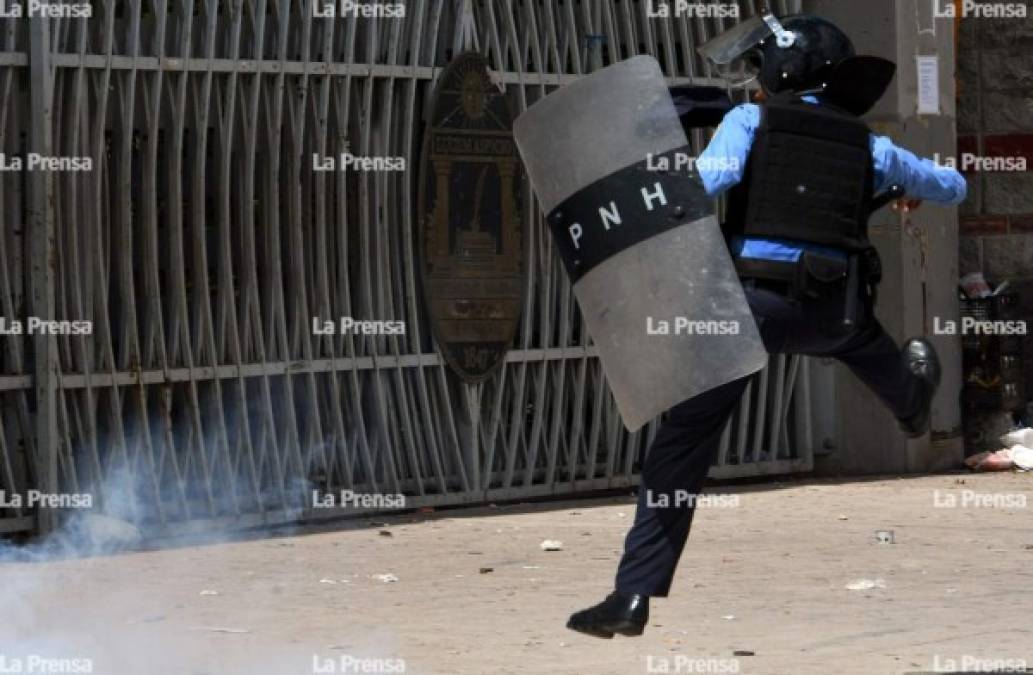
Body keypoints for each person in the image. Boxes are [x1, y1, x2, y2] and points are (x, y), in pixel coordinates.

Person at [566, 13, 967, 640]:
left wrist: (641, 188)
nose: (753, 82)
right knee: (870, 345)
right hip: (832, 316)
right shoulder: (872, 147)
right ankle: (911, 403)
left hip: (746, 312)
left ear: (783, 69)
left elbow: (711, 179)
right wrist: (902, 187)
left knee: (680, 452)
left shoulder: (751, 121)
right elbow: (953, 185)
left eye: (758, 69)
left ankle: (632, 596)